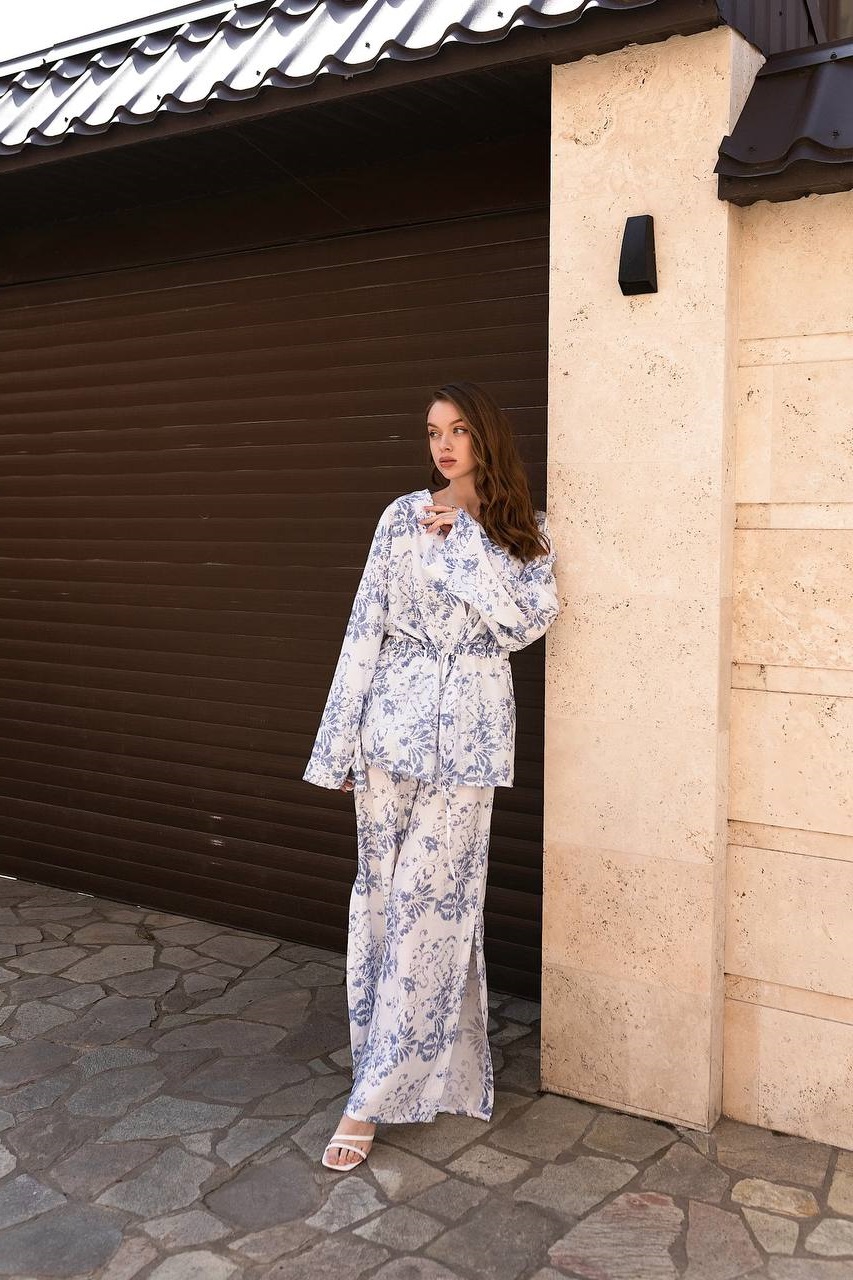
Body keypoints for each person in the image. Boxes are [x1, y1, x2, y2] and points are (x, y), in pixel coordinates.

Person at [302, 380, 559, 1171]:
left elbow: (525, 624)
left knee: (432, 909)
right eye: (432, 432)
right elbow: (364, 628)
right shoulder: (400, 518)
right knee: (383, 906)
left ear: (485, 438)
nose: (443, 446)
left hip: (471, 742)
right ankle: (431, 1073)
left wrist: (469, 546)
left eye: (457, 431)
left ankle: (367, 1103)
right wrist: (338, 745)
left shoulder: (527, 532)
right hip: (388, 733)